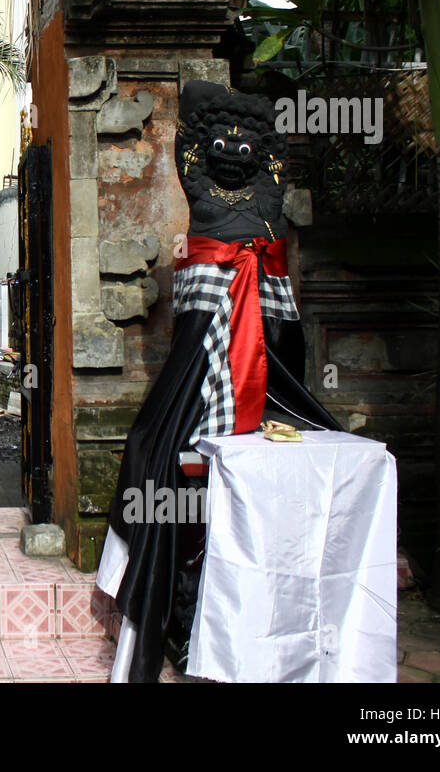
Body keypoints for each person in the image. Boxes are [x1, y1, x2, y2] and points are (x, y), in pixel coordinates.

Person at [96, 81, 340, 683]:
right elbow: (194, 339)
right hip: (199, 415)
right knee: (157, 468)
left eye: (244, 142)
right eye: (219, 141)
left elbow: (280, 341)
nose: (231, 149)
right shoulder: (204, 219)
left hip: (262, 412)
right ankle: (180, 622)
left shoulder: (266, 230)